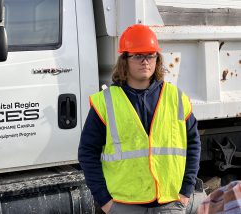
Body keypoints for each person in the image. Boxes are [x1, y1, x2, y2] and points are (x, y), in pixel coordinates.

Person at [78, 24, 201, 214]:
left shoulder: (176, 98)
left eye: (150, 55)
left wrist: (186, 191)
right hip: (124, 205)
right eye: (137, 55)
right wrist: (105, 201)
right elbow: (87, 152)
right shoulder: (106, 102)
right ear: (124, 60)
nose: (145, 61)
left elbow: (193, 144)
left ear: (157, 58)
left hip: (169, 203)